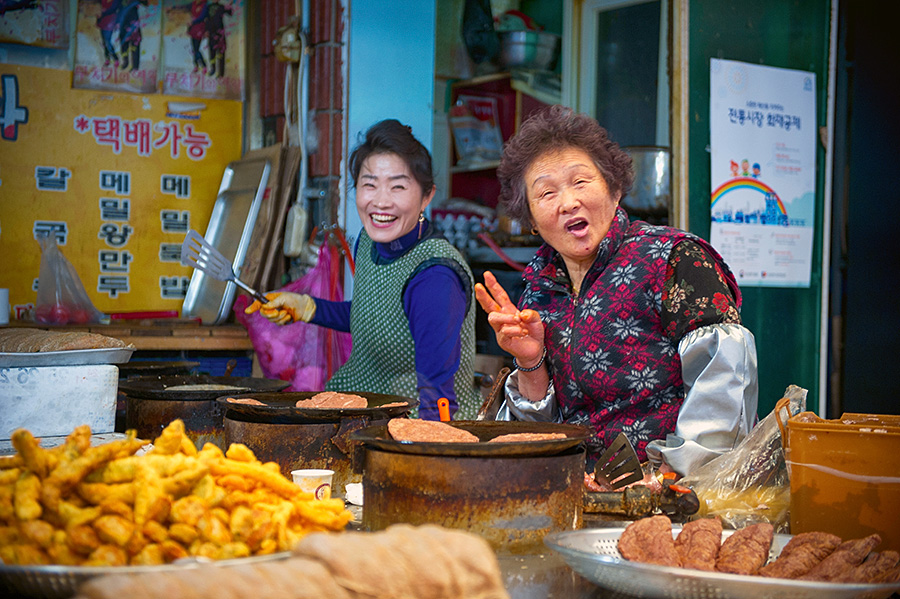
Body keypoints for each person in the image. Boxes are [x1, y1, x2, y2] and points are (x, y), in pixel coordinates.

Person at [475, 105, 758, 477]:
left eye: (581, 181)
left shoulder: (673, 259)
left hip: (668, 492)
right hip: (577, 491)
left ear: (615, 188)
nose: (568, 202)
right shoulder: (538, 291)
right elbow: (540, 435)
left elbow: (725, 387)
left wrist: (668, 482)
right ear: (530, 218)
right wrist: (531, 362)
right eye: (546, 192)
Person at [246, 119, 482, 421]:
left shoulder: (434, 277)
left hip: (409, 422)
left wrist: (426, 444)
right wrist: (308, 307)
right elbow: (375, 317)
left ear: (427, 196)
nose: (381, 202)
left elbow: (437, 399)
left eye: (398, 187)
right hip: (359, 411)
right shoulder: (369, 243)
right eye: (369, 184)